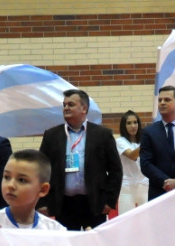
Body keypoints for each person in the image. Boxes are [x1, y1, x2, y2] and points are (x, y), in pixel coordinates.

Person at [37, 89, 122, 230]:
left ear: (84, 108)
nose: (66, 108)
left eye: (71, 104)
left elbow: (115, 170)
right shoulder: (51, 135)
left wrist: (109, 200)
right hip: (64, 204)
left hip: (94, 203)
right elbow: (41, 170)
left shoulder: (102, 135)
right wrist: (42, 201)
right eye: (64, 105)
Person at [115, 110, 148, 213]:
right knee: (125, 221)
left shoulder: (143, 140)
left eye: (135, 122)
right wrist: (147, 142)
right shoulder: (120, 141)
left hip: (144, 184)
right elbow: (132, 155)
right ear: (123, 126)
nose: (133, 126)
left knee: (146, 218)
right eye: (129, 123)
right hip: (127, 187)